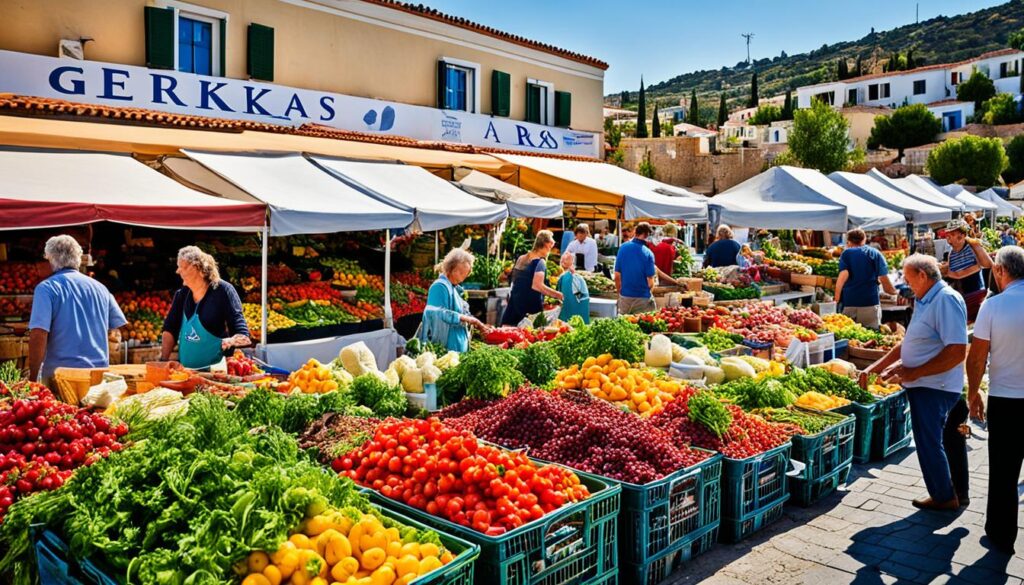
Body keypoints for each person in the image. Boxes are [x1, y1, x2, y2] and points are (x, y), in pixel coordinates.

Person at [881, 254, 968, 511]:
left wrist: (914, 372)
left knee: (929, 442)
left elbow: (956, 351)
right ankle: (952, 492)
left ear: (922, 275)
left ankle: (944, 496)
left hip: (935, 386)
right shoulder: (925, 298)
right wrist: (887, 366)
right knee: (939, 440)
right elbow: (913, 341)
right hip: (927, 384)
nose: (906, 285)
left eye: (909, 279)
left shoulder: (945, 300)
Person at [966, 246, 1024, 553]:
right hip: (1008, 397)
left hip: (1007, 400)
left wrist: (973, 392)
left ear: (1001, 271)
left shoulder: (994, 305)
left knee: (1004, 471)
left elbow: (976, 358)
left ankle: (1001, 535)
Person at [28, 235, 126, 389]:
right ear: (78, 258)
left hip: (60, 377)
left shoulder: (46, 288)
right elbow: (119, 327)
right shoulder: (100, 288)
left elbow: (38, 334)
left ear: (51, 259)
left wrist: (33, 378)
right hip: (97, 376)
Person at [160, 246, 251, 369]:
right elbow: (171, 328)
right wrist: (163, 360)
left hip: (216, 375)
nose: (178, 271)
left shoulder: (223, 291)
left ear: (198, 268)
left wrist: (231, 341)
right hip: (186, 373)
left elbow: (242, 333)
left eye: (183, 267)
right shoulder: (182, 295)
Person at [420, 248, 489, 353]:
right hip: (445, 350)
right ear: (451, 268)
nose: (464, 277)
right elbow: (435, 313)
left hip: (456, 351)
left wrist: (477, 323)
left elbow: (462, 313)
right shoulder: (439, 286)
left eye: (466, 273)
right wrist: (468, 319)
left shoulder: (453, 288)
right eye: (461, 272)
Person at [834, 228, 898, 329]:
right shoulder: (875, 253)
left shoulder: (846, 253)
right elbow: (885, 282)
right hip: (870, 303)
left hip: (850, 302)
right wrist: (896, 293)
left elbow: (843, 275)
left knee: (849, 336)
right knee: (870, 336)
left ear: (848, 242)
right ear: (864, 240)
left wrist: (836, 298)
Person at [501, 231, 563, 326]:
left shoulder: (521, 258)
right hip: (529, 306)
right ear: (545, 244)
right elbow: (537, 286)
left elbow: (515, 280)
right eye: (550, 247)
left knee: (508, 331)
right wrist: (558, 295)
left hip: (515, 303)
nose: (550, 251)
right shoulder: (539, 262)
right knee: (530, 334)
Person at [941, 219, 992, 322]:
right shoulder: (951, 253)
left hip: (977, 296)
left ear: (961, 236)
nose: (948, 239)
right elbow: (953, 275)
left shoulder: (973, 247)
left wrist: (950, 273)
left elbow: (986, 265)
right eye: (947, 236)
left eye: (951, 235)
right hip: (962, 298)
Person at [615, 222, 658, 314]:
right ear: (647, 235)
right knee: (644, 326)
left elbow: (617, 275)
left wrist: (620, 293)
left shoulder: (623, 247)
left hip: (625, 297)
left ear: (635, 232)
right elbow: (650, 281)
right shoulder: (648, 253)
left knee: (623, 325)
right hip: (642, 298)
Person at [556, 252, 590, 324]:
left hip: (573, 311)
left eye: (566, 259)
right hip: (566, 310)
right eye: (562, 259)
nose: (562, 261)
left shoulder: (575, 277)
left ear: (572, 262)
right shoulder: (563, 276)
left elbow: (582, 296)